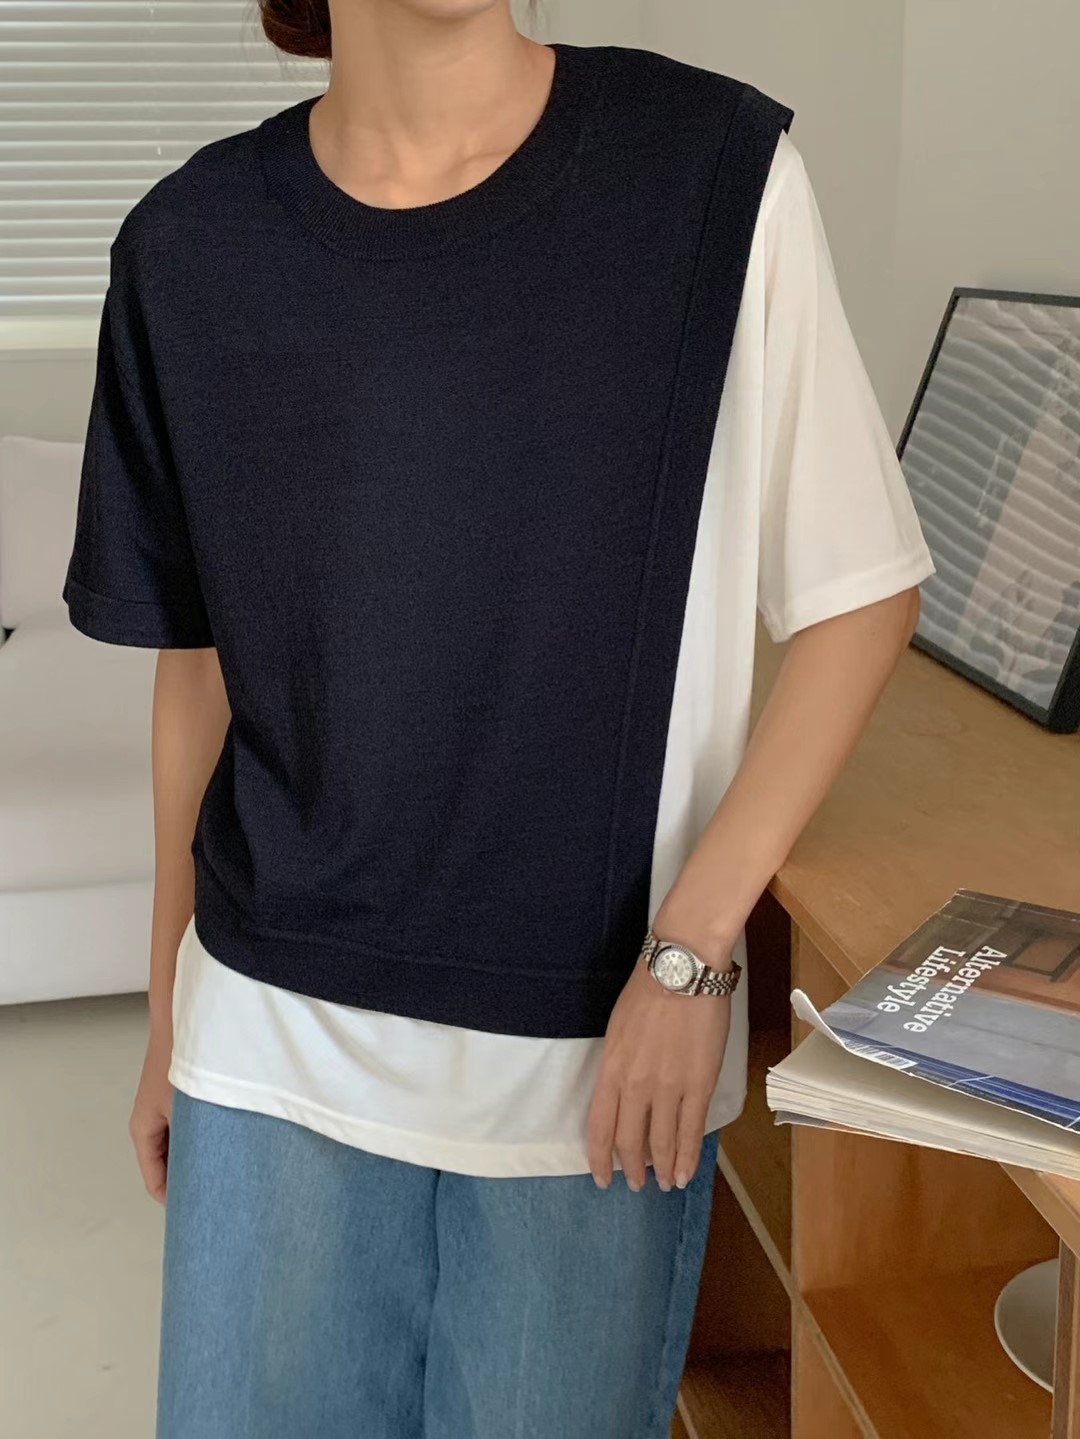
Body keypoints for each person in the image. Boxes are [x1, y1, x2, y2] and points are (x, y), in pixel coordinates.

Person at [62, 3, 935, 1436]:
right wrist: (170, 1009)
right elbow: (201, 667)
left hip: (596, 1058)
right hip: (267, 1040)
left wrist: (691, 955)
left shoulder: (709, 174)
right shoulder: (189, 246)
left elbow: (862, 595)